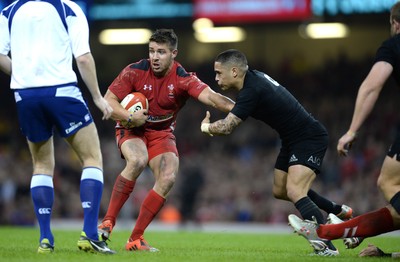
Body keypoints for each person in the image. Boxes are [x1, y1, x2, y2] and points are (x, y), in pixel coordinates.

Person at [200, 49, 352, 256]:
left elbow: (227, 127)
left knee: (295, 191)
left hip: (309, 137)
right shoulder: (254, 79)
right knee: (280, 190)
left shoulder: (251, 90)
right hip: (291, 138)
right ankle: (337, 210)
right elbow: (240, 109)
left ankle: (327, 247)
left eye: (219, 73)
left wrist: (206, 127)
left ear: (234, 71)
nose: (216, 78)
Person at [96, 28, 235, 252]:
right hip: (131, 127)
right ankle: (107, 224)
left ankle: (135, 239)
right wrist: (129, 116)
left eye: (161, 52)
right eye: (151, 51)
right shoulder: (134, 71)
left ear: (173, 54)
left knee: (169, 176)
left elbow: (210, 96)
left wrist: (240, 109)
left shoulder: (182, 78)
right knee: (138, 160)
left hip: (161, 133)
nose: (154, 57)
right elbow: (108, 101)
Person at [0, 0, 115, 254]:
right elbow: (83, 58)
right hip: (62, 92)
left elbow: (0, 55)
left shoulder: (9, 11)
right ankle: (90, 234)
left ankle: (45, 239)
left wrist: (23, 76)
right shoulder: (68, 8)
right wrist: (97, 97)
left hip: (25, 96)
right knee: (92, 158)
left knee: (41, 166)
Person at [288, 1, 400, 255]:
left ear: (395, 23)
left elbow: (371, 86)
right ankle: (326, 232)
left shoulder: (394, 45)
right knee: (396, 211)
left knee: (389, 182)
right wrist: (389, 255)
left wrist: (352, 130)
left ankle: (325, 231)